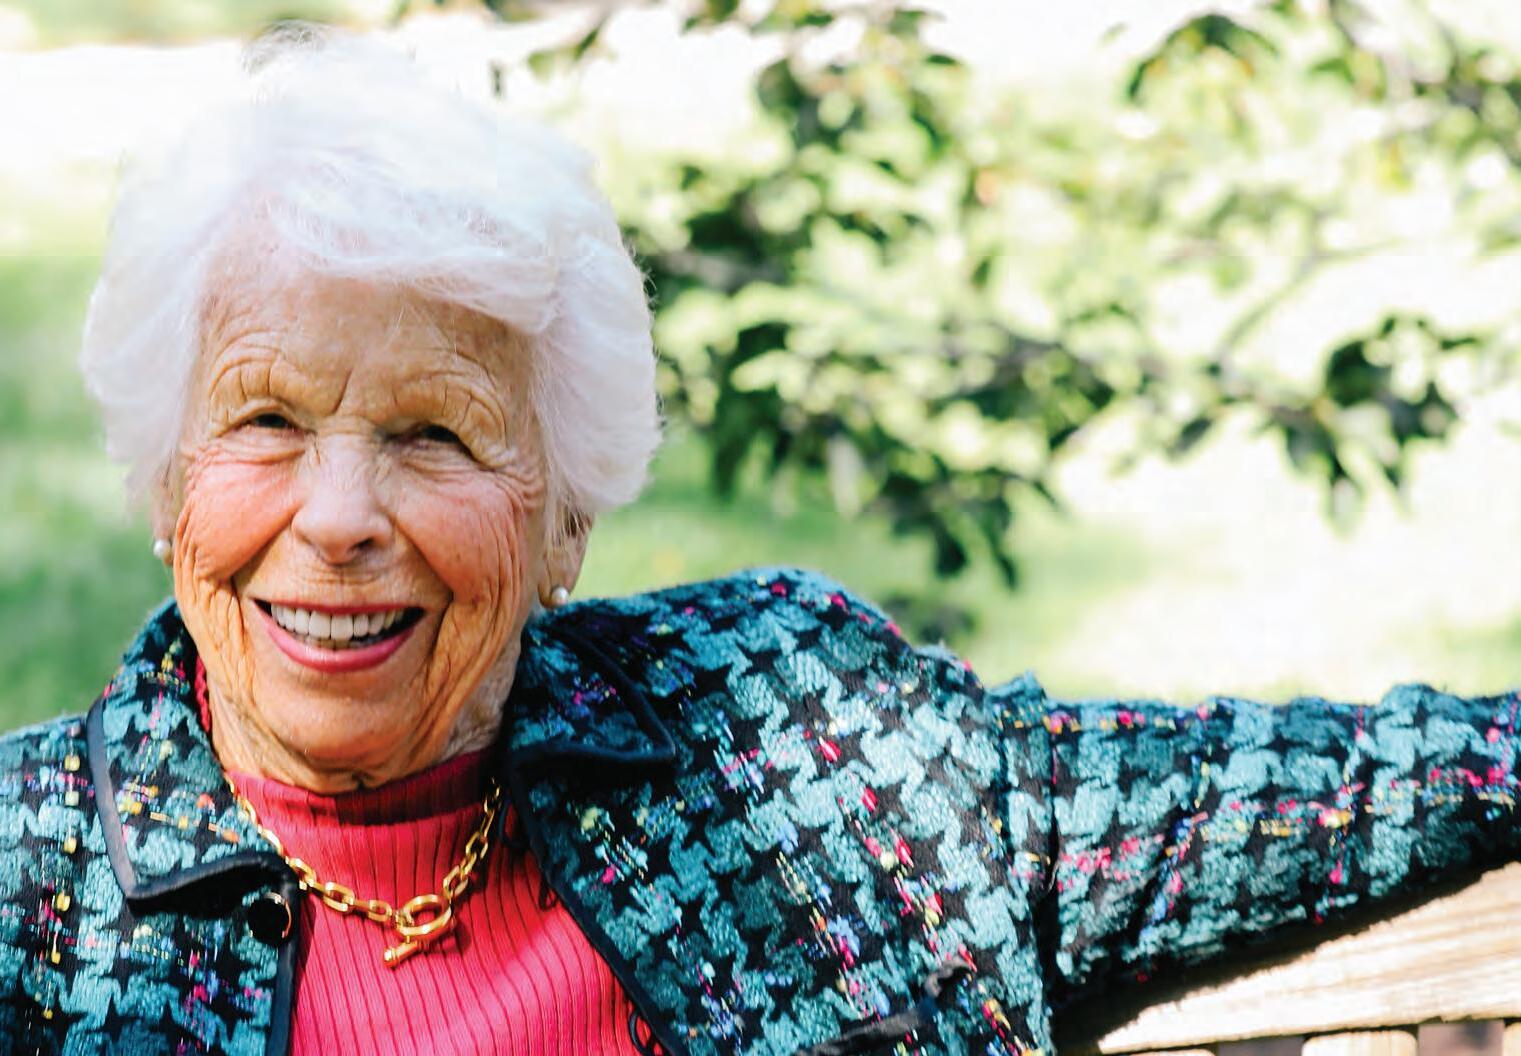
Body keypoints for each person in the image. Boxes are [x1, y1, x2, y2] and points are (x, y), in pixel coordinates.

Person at [1, 26, 1515, 1056]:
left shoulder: (800, 744)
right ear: (166, 484)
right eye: (266, 421)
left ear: (565, 516)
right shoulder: (32, 895)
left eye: (434, 435)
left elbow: (1253, 800)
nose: (337, 518)